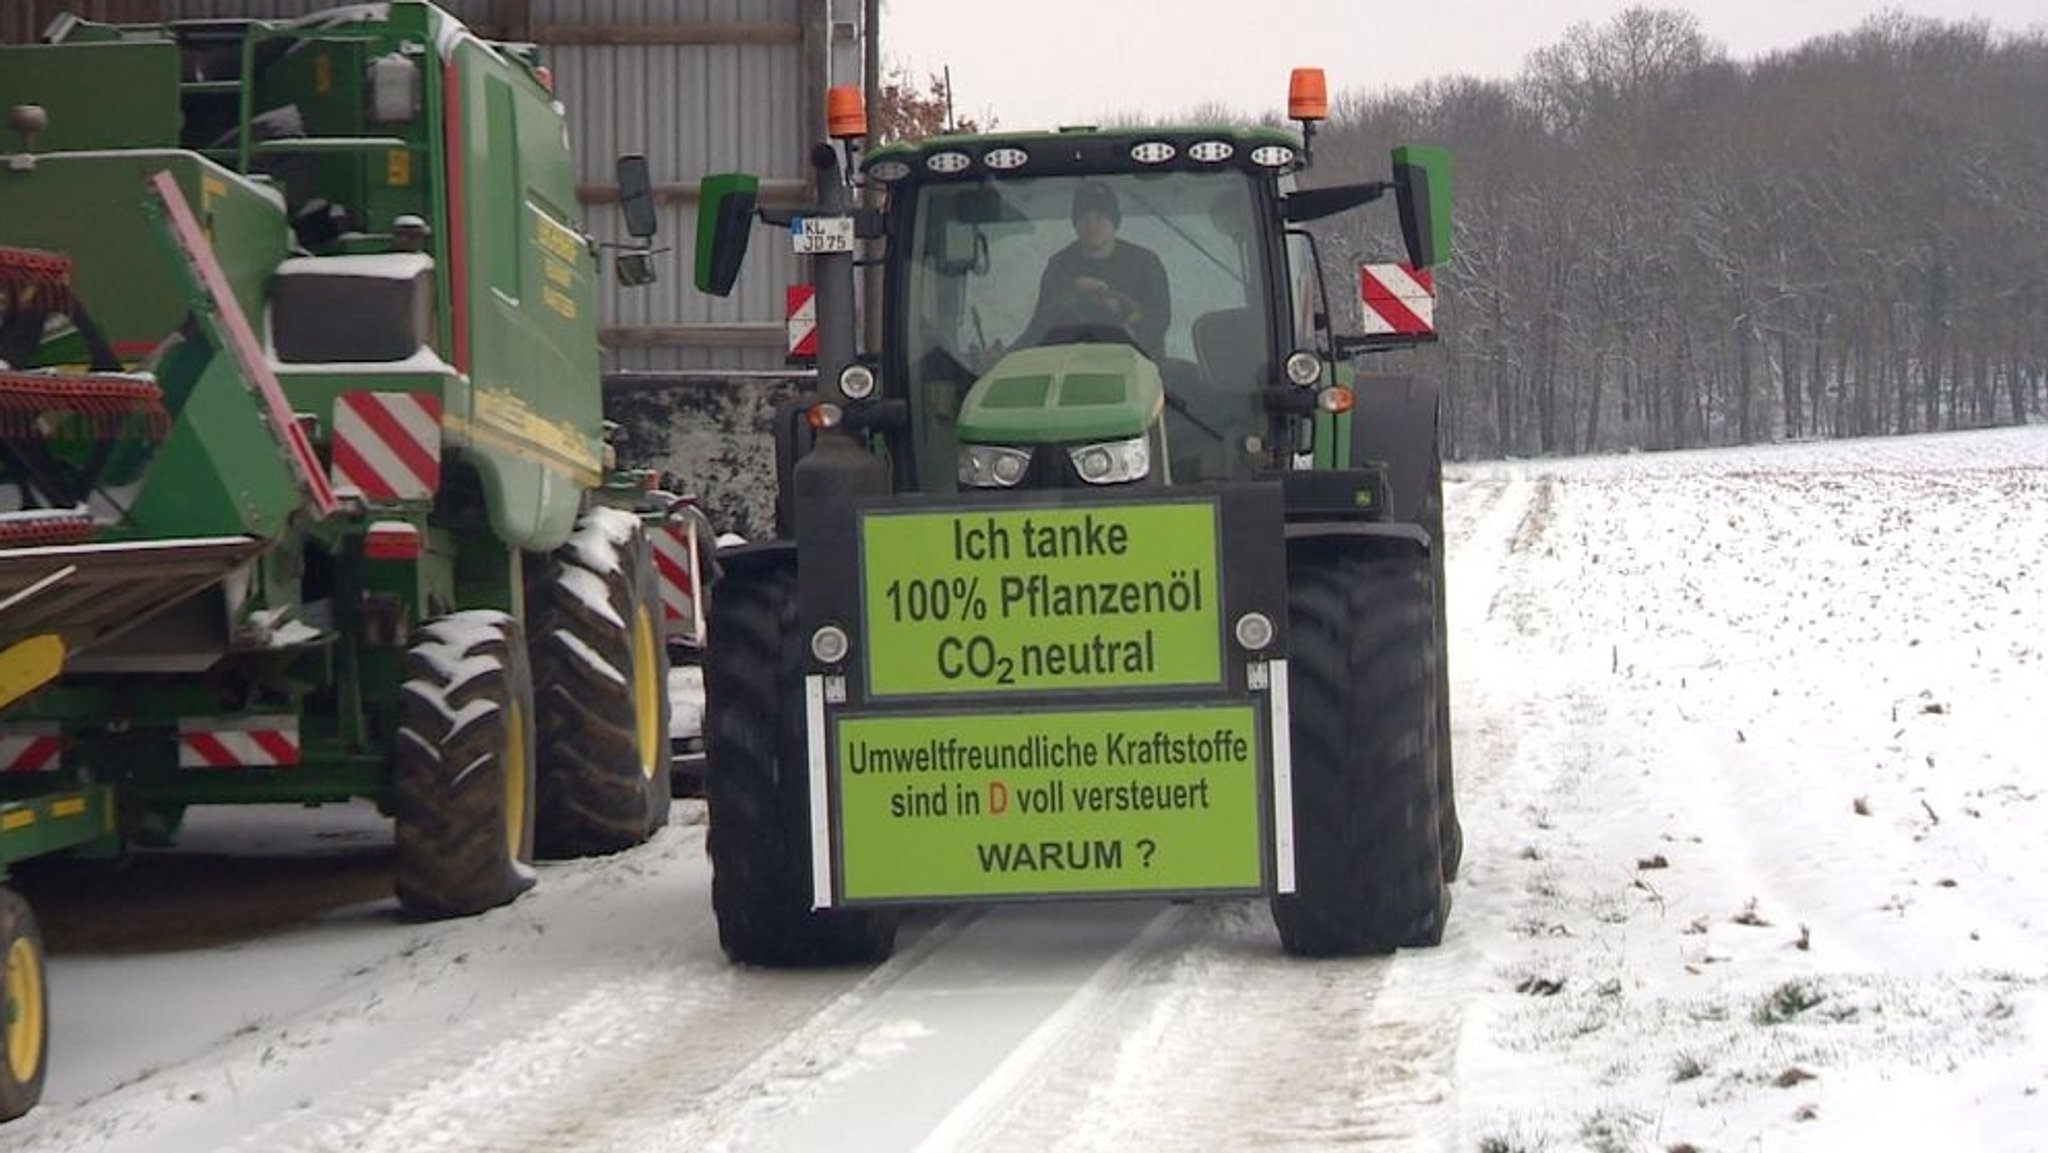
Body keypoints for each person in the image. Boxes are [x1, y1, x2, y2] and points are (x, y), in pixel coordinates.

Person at [1020, 180, 1169, 358]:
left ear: (1114, 222)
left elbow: (1160, 318)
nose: (1092, 227)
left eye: (1100, 218)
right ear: (1075, 223)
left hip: (1136, 365)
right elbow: (1039, 326)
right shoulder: (1059, 267)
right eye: (1085, 219)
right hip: (1070, 364)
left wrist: (1132, 332)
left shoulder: (1146, 263)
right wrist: (1005, 357)